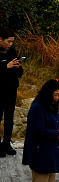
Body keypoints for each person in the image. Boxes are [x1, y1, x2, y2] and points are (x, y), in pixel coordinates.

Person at [0, 27, 24, 156]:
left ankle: (6, 143)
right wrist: (6, 66)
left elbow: (20, 73)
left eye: (12, 42)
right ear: (1, 39)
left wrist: (17, 67)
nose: (10, 44)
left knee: (9, 118)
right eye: (8, 41)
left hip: (11, 89)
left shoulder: (12, 51)